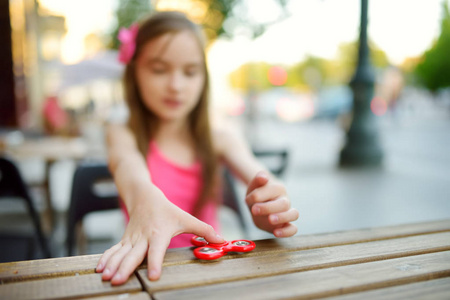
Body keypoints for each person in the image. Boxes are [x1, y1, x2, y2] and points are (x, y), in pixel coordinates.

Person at [96, 11, 299, 286]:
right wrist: (144, 198)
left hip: (210, 277)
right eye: (159, 69)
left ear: (204, 79)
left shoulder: (221, 138)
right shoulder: (121, 132)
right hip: (146, 273)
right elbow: (127, 167)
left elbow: (260, 176)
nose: (176, 86)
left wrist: (272, 205)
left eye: (190, 72)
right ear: (134, 74)